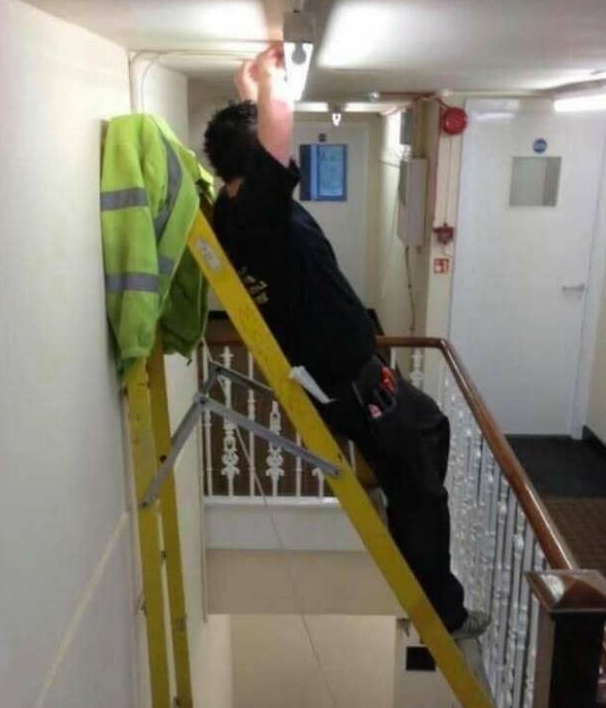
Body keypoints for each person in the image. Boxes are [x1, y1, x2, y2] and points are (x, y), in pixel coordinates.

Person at [203, 45, 489, 640]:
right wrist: (270, 79)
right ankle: (446, 613)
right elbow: (276, 137)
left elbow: (267, 141)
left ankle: (394, 485)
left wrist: (249, 83)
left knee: (432, 424)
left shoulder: (236, 212)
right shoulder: (253, 214)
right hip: (350, 383)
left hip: (352, 375)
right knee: (424, 494)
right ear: (253, 163)